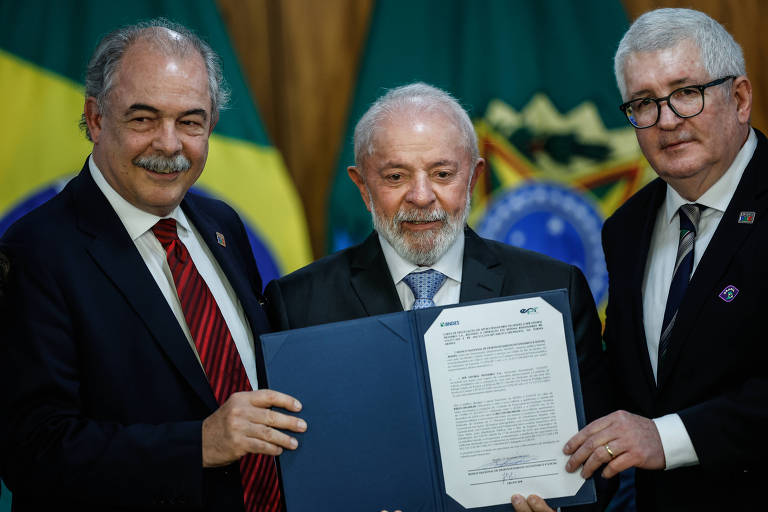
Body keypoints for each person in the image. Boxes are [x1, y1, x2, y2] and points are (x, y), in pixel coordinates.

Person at [0, 20, 306, 511]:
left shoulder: (221, 224)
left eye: (190, 122)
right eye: (143, 119)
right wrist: (199, 444)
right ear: (96, 119)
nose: (169, 144)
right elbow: (33, 452)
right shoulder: (36, 251)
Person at [264, 83, 610, 508]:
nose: (422, 196)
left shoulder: (554, 288)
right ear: (361, 185)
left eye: (443, 174)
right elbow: (290, 469)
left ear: (475, 177)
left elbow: (600, 453)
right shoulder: (298, 302)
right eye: (395, 176)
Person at [511, 8, 766, 512]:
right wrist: (556, 487)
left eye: (686, 93)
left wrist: (663, 437)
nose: (667, 121)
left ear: (739, 98)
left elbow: (653, 429)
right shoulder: (626, 228)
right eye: (644, 103)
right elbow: (625, 393)